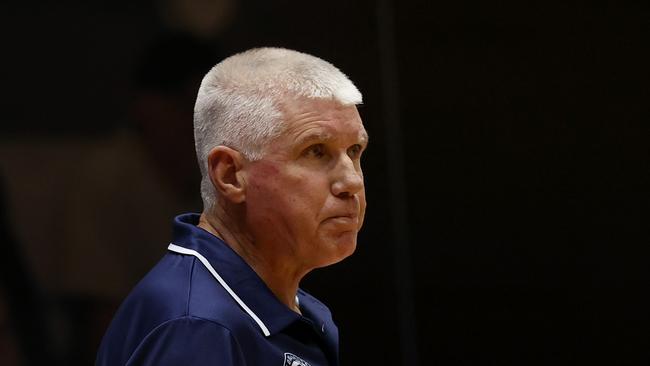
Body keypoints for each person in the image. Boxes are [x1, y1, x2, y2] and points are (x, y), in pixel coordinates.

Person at [96, 47, 368, 366]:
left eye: (354, 151)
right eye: (315, 151)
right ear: (230, 174)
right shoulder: (198, 327)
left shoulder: (295, 308)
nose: (352, 181)